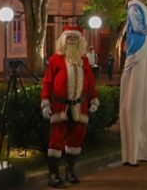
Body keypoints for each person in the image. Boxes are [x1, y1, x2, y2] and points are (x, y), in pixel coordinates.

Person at [41, 26, 99, 187]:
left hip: (80, 107)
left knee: (76, 140)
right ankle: (53, 175)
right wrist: (45, 103)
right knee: (56, 141)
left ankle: (70, 172)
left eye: (75, 38)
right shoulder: (55, 60)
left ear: (80, 41)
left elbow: (91, 83)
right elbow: (47, 83)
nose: (72, 41)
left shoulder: (84, 60)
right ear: (63, 41)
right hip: (60, 107)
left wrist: (94, 99)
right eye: (69, 38)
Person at [119, 0, 147, 166]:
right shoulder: (135, 8)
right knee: (135, 100)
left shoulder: (138, 7)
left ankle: (144, 149)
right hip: (138, 53)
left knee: (143, 99)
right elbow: (138, 28)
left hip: (142, 54)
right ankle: (135, 151)